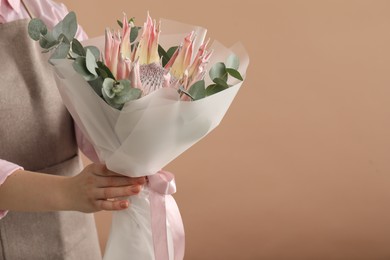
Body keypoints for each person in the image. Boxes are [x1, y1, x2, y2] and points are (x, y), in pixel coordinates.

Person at [0, 0, 145, 259]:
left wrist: (132, 147)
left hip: (72, 238)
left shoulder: (45, 12)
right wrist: (71, 192)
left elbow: (90, 114)